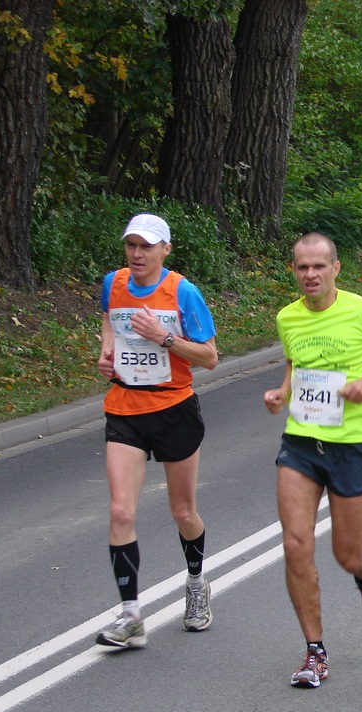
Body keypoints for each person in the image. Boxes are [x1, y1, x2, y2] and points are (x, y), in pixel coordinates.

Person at [263, 232, 362, 688]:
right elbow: (295, 362)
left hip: (351, 445)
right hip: (301, 442)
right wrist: (282, 392)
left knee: (345, 552)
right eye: (301, 267)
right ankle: (315, 652)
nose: (310, 275)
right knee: (295, 543)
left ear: (335, 268)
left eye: (318, 266)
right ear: (293, 270)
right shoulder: (287, 318)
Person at [95, 213, 219, 649]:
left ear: (165, 249)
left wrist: (163, 337)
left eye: (147, 246)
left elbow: (209, 358)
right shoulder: (113, 282)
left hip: (173, 408)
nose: (137, 253)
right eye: (131, 244)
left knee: (183, 512)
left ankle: (197, 583)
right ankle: (131, 616)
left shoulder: (183, 291)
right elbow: (109, 320)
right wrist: (107, 353)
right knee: (120, 511)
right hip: (125, 408)